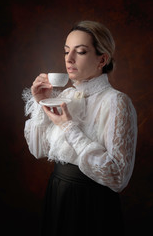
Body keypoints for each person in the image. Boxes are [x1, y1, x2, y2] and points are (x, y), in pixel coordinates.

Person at [22, 20, 137, 236]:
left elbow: (118, 177)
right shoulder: (63, 97)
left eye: (81, 51)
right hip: (58, 195)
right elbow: (38, 150)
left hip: (92, 204)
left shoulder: (117, 102)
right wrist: (40, 102)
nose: (69, 59)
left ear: (102, 59)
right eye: (66, 51)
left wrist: (68, 127)